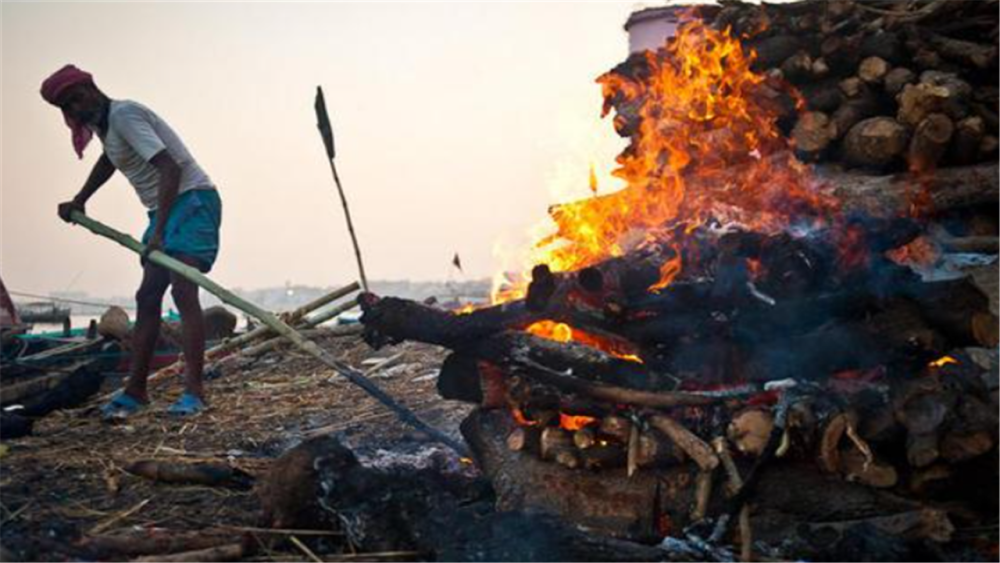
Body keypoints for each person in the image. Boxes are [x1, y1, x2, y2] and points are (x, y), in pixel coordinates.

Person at [43, 65, 222, 418]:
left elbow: (170, 168)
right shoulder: (107, 128)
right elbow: (110, 160)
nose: (76, 108)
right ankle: (136, 391)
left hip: (193, 200)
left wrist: (158, 231)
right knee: (147, 295)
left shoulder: (124, 115)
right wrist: (80, 199)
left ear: (92, 87)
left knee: (183, 290)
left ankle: (195, 392)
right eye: (67, 107)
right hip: (164, 211)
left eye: (77, 98)